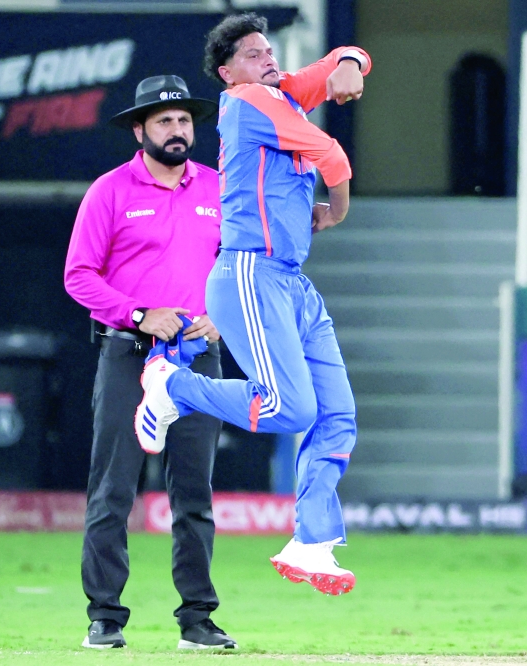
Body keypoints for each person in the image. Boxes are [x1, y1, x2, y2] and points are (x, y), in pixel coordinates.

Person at [133, 13, 371, 596]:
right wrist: (337, 210)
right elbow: (332, 156)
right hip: (249, 270)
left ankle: (312, 542)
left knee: (336, 414)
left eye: (270, 50)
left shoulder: (281, 92)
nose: (268, 59)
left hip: (291, 281)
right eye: (254, 53)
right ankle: (172, 386)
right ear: (227, 71)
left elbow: (351, 55)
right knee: (289, 410)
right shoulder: (247, 101)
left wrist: (347, 63)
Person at [63, 75, 236, 651]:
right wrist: (139, 315)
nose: (177, 129)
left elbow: (242, 267)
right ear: (139, 130)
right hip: (128, 354)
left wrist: (224, 316)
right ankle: (105, 616)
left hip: (197, 356)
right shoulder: (110, 191)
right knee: (113, 489)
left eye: (184, 120)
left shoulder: (218, 187)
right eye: (164, 121)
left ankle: (197, 619)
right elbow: (78, 276)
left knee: (195, 493)